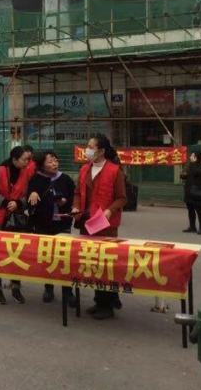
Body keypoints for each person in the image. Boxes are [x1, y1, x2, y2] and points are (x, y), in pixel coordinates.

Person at [72, 134, 127, 320]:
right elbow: (77, 192)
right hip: (86, 222)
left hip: (105, 224)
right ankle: (99, 300)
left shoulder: (114, 171)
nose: (87, 150)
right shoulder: (84, 169)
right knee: (92, 263)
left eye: (90, 147)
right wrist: (76, 207)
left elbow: (122, 198)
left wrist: (110, 210)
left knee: (105, 264)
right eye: (87, 146)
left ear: (101, 151)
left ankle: (108, 304)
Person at [0, 146, 34, 305]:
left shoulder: (26, 174)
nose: (27, 162)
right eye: (24, 159)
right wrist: (5, 202)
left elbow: (26, 196)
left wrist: (18, 203)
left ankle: (16, 287)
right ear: (14, 160)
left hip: (15, 219)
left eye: (28, 159)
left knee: (16, 252)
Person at [27, 151, 75, 303]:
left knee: (65, 258)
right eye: (50, 161)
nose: (54, 164)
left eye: (55, 160)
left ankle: (68, 291)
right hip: (43, 225)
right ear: (42, 165)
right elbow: (29, 201)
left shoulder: (65, 179)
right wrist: (33, 194)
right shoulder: (36, 179)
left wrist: (65, 202)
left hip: (62, 224)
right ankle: (48, 288)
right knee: (47, 258)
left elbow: (74, 198)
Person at [181, 151, 201, 235]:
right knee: (190, 209)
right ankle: (192, 226)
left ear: (196, 157)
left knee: (199, 209)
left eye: (192, 156)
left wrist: (191, 165)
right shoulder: (190, 165)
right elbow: (185, 175)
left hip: (197, 191)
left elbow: (197, 172)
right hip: (188, 190)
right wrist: (183, 175)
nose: (190, 157)